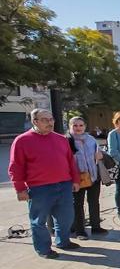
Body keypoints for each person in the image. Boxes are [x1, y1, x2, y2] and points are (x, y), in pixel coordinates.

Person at [9, 109, 81, 258]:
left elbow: (70, 162)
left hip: (64, 185)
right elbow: (16, 167)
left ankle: (63, 241)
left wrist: (75, 180)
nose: (50, 123)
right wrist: (20, 189)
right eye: (45, 120)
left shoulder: (61, 139)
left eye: (51, 119)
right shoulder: (22, 140)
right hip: (39, 188)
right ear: (35, 122)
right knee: (38, 221)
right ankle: (43, 249)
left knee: (66, 217)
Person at [67, 117, 107, 240]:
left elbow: (98, 152)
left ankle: (96, 226)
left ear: (85, 126)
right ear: (70, 126)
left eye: (81, 125)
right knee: (77, 204)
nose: (78, 128)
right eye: (75, 125)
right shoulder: (67, 140)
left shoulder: (90, 139)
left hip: (93, 176)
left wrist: (101, 155)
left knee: (94, 202)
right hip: (77, 178)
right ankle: (80, 230)